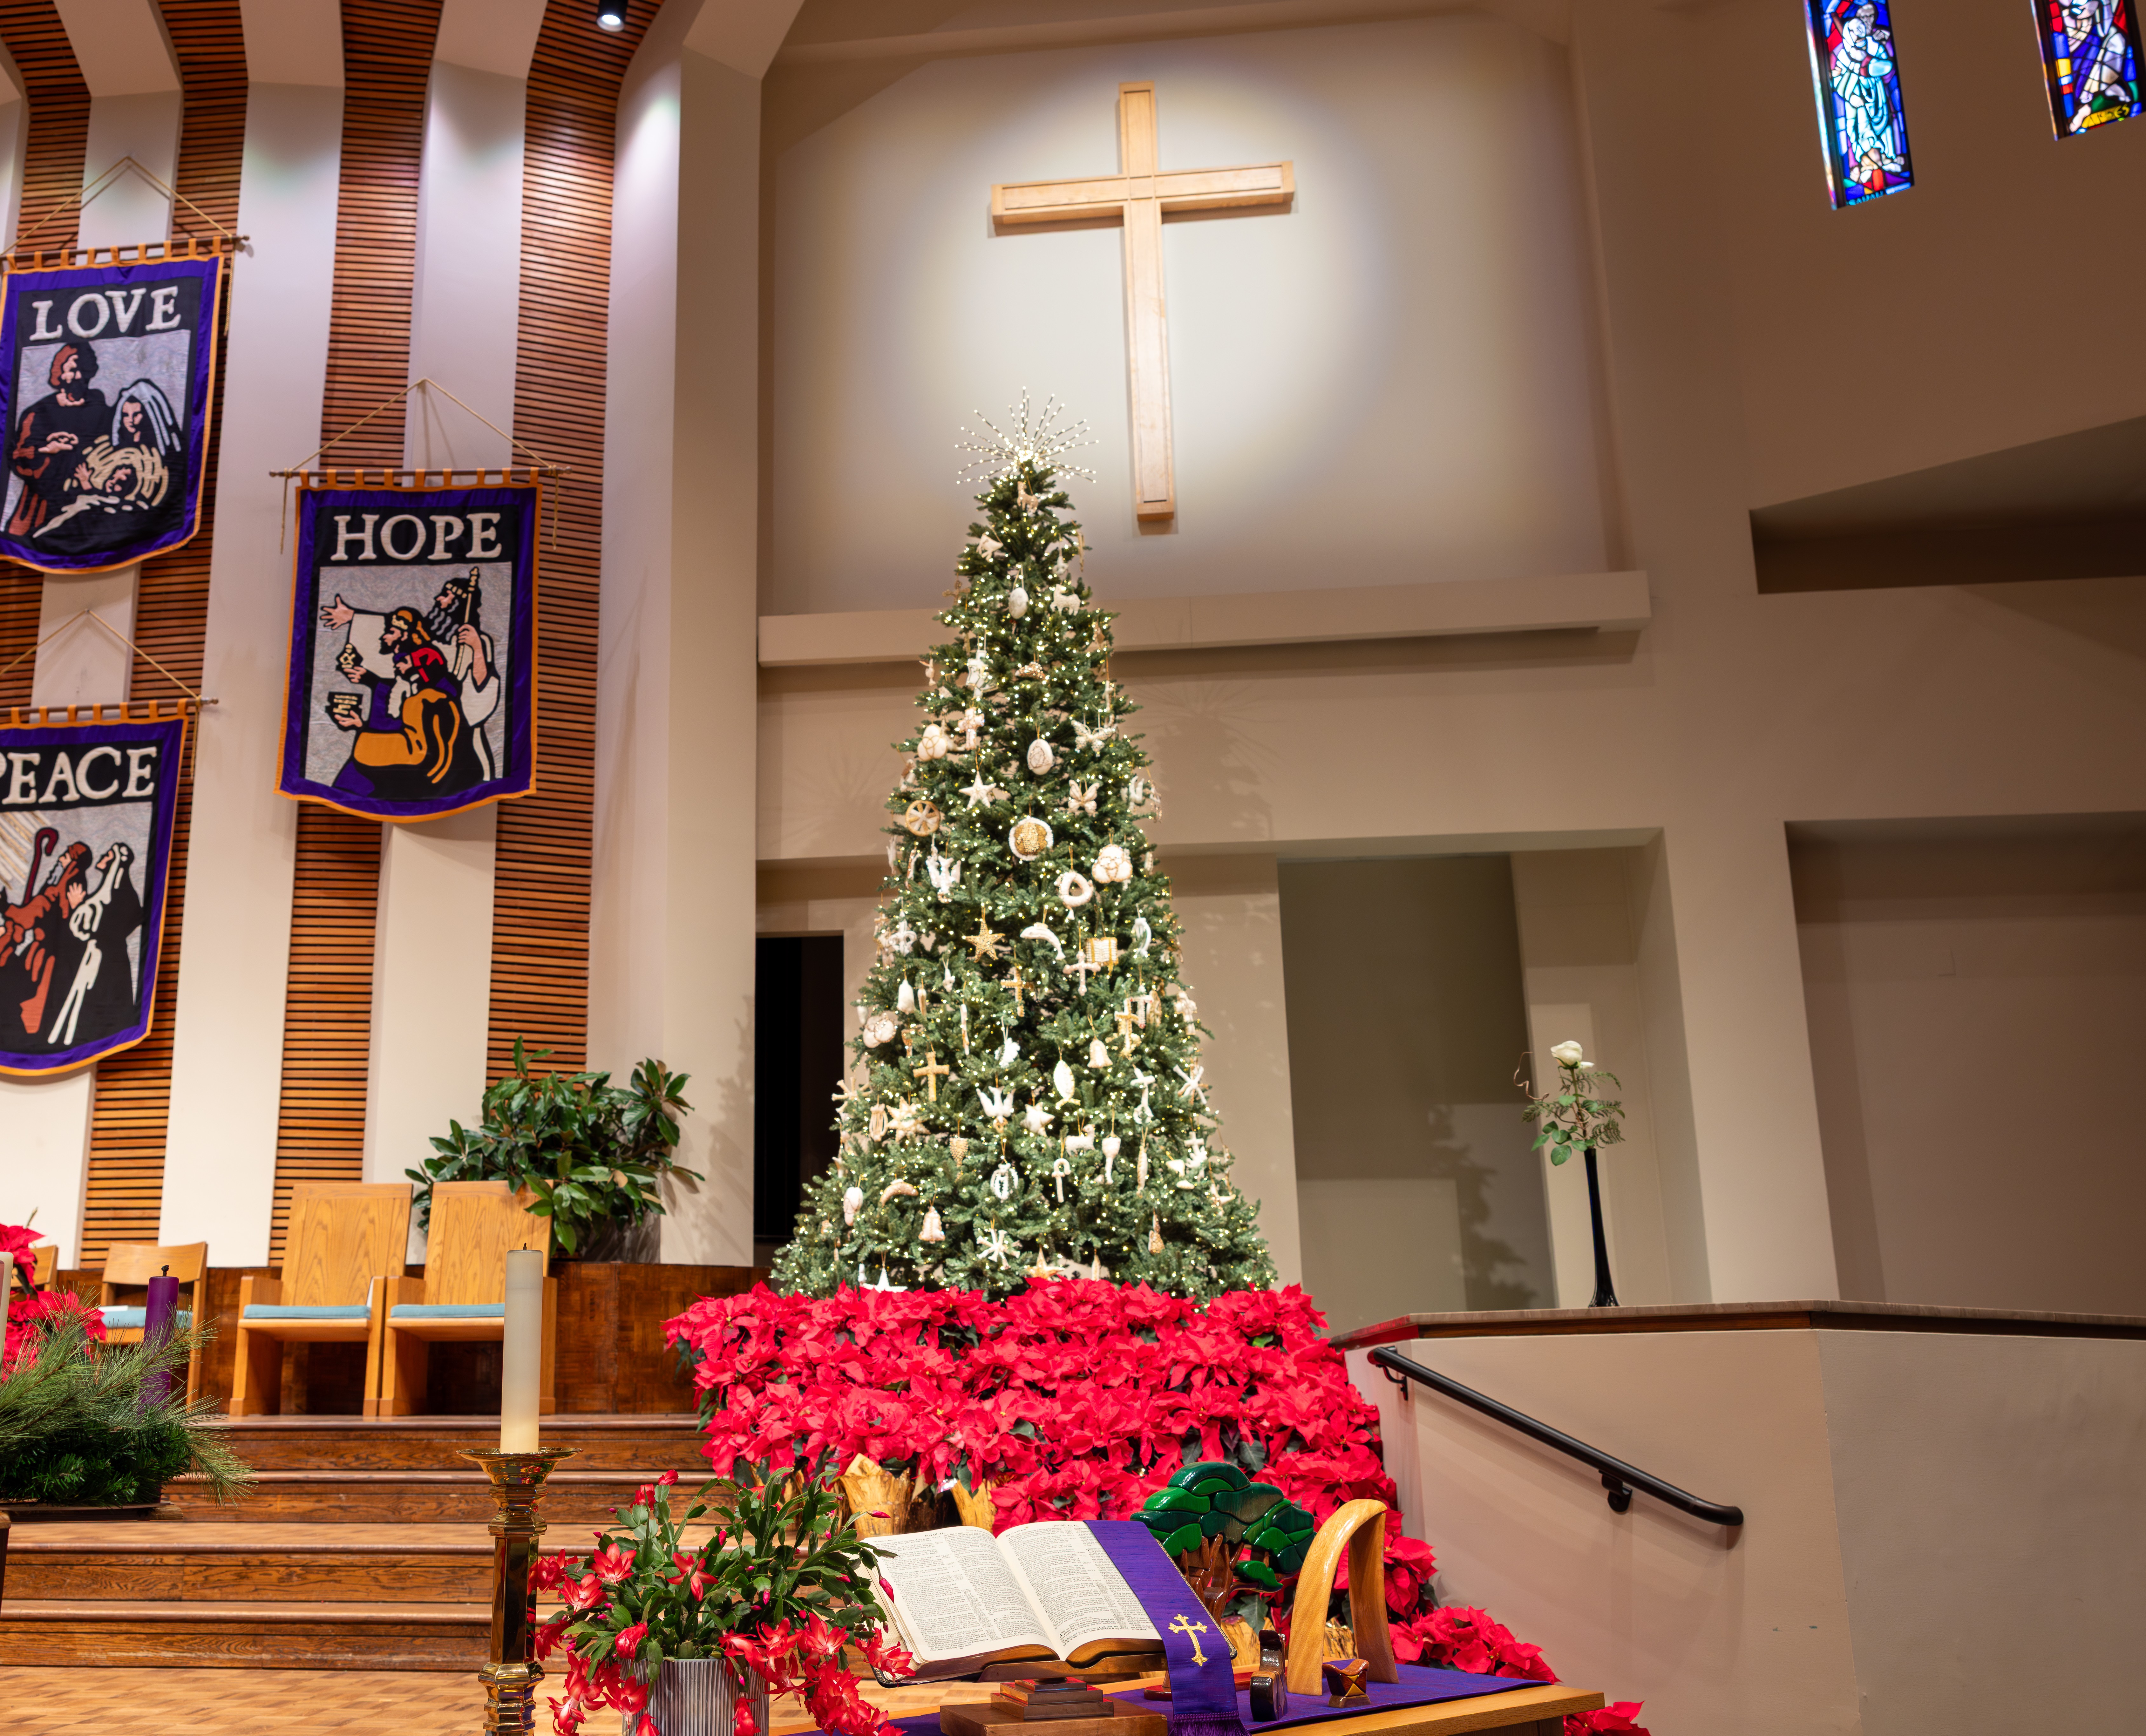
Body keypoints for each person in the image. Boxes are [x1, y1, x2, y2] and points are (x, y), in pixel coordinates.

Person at [325, 607, 485, 802]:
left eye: (391, 632)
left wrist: (362, 728)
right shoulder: (413, 687)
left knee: (356, 787)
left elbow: (414, 743)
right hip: (404, 759)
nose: (384, 637)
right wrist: (372, 682)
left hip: (423, 774)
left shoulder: (429, 698)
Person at [31, 379, 184, 556]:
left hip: (119, 521)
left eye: (137, 415)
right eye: (126, 415)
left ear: (150, 415)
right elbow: (85, 484)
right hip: (91, 513)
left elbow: (135, 498)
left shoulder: (158, 458)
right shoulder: (108, 449)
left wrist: (96, 491)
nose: (131, 421)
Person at [7, 342, 110, 539]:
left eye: (84, 370)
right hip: (43, 503)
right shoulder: (38, 412)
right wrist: (47, 450)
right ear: (59, 373)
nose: (78, 377)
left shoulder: (100, 408)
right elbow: (17, 455)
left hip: (84, 496)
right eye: (72, 370)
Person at [46, 843, 143, 1048]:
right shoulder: (102, 894)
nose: (102, 856)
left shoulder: (125, 896)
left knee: (100, 1007)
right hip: (92, 958)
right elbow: (83, 928)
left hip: (107, 964)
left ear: (116, 863)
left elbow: (101, 927)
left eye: (108, 855)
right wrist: (78, 908)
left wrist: (77, 907)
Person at [0, 839, 91, 1051]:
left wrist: (6, 908)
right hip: (46, 955)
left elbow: (33, 913)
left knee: (28, 1000)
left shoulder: (63, 887)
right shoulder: (69, 885)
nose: (62, 857)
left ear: (74, 863)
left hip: (43, 959)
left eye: (68, 855)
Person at [1831, 4, 1906, 192]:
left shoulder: (1874, 45)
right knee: (1860, 131)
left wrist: (1870, 63)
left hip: (1878, 95)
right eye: (1855, 29)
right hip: (1857, 103)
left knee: (1886, 123)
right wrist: (1850, 94)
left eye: (1870, 19)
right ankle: (1867, 164)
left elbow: (1887, 67)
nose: (1860, 31)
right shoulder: (1843, 54)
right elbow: (1838, 80)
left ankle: (1887, 158)